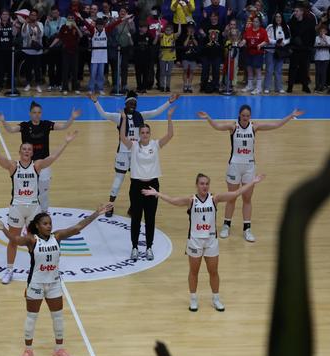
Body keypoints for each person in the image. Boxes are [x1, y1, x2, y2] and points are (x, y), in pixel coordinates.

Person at [0, 204, 111, 356]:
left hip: (53, 283)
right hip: (36, 283)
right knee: (31, 318)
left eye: (50, 223)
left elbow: (78, 226)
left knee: (58, 317)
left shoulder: (57, 236)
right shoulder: (31, 239)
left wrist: (96, 213)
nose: (49, 226)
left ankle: (59, 349)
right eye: (45, 223)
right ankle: (28, 351)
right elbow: (15, 240)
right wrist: (3, 228)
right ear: (37, 226)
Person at [143, 173, 265, 312]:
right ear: (197, 185)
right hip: (195, 241)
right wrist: (157, 193)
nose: (204, 186)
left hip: (211, 241)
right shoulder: (191, 200)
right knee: (194, 272)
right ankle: (193, 299)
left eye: (207, 183)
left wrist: (253, 182)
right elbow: (173, 201)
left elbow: (236, 193)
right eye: (202, 183)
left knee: (213, 271)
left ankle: (216, 299)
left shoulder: (215, 198)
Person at [0, 127, 79, 285]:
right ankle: (9, 270)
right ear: (20, 151)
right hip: (17, 207)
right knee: (13, 239)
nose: (26, 151)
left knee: (36, 241)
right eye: (24, 149)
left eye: (29, 149)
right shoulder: (13, 166)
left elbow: (52, 157)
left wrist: (65, 143)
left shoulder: (37, 165)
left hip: (33, 208)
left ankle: (39, 270)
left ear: (32, 153)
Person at [197, 106, 303, 242]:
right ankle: (226, 225)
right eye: (243, 115)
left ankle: (247, 228)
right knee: (231, 197)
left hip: (249, 167)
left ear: (250, 116)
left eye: (247, 116)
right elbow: (217, 126)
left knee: (247, 198)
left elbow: (276, 125)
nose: (245, 118)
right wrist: (208, 118)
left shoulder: (254, 127)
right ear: (239, 115)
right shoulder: (233, 127)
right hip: (234, 166)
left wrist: (291, 115)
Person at [90, 90, 179, 217]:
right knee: (118, 180)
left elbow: (156, 112)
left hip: (136, 152)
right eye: (131, 102)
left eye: (135, 102)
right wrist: (95, 101)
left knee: (136, 181)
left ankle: (133, 207)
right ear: (126, 103)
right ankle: (110, 205)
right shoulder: (119, 116)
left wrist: (169, 102)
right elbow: (103, 114)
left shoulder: (141, 115)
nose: (133, 104)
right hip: (123, 152)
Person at [0, 103, 80, 213]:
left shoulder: (46, 124)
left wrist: (72, 118)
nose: (37, 115)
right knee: (30, 191)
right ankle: (29, 212)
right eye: (34, 112)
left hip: (43, 164)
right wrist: (3, 121)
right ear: (30, 113)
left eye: (39, 112)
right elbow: (10, 130)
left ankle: (43, 212)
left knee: (43, 192)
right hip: (28, 166)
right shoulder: (25, 126)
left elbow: (64, 126)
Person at [118, 105, 175, 262]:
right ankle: (135, 247)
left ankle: (149, 247)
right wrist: (123, 119)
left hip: (152, 186)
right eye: (142, 132)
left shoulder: (155, 145)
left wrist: (169, 116)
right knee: (136, 218)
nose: (144, 134)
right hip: (136, 186)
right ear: (138, 134)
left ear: (150, 134)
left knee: (150, 218)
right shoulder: (134, 145)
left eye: (147, 132)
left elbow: (170, 135)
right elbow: (122, 137)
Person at [263, 12, 289, 94]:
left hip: (280, 52)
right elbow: (266, 37)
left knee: (278, 70)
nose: (278, 18)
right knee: (269, 70)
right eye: (276, 17)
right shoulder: (270, 27)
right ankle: (267, 87)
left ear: (282, 18)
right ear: (274, 18)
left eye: (280, 17)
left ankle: (279, 88)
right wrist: (276, 42)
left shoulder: (286, 27)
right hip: (270, 51)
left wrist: (283, 43)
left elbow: (289, 38)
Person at [241, 16, 268, 94]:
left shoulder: (263, 31)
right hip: (249, 52)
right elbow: (245, 39)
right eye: (254, 21)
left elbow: (266, 41)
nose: (254, 23)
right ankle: (250, 86)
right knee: (249, 69)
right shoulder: (248, 30)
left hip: (258, 53)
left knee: (257, 70)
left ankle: (258, 88)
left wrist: (260, 45)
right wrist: (242, 43)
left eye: (256, 21)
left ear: (259, 23)